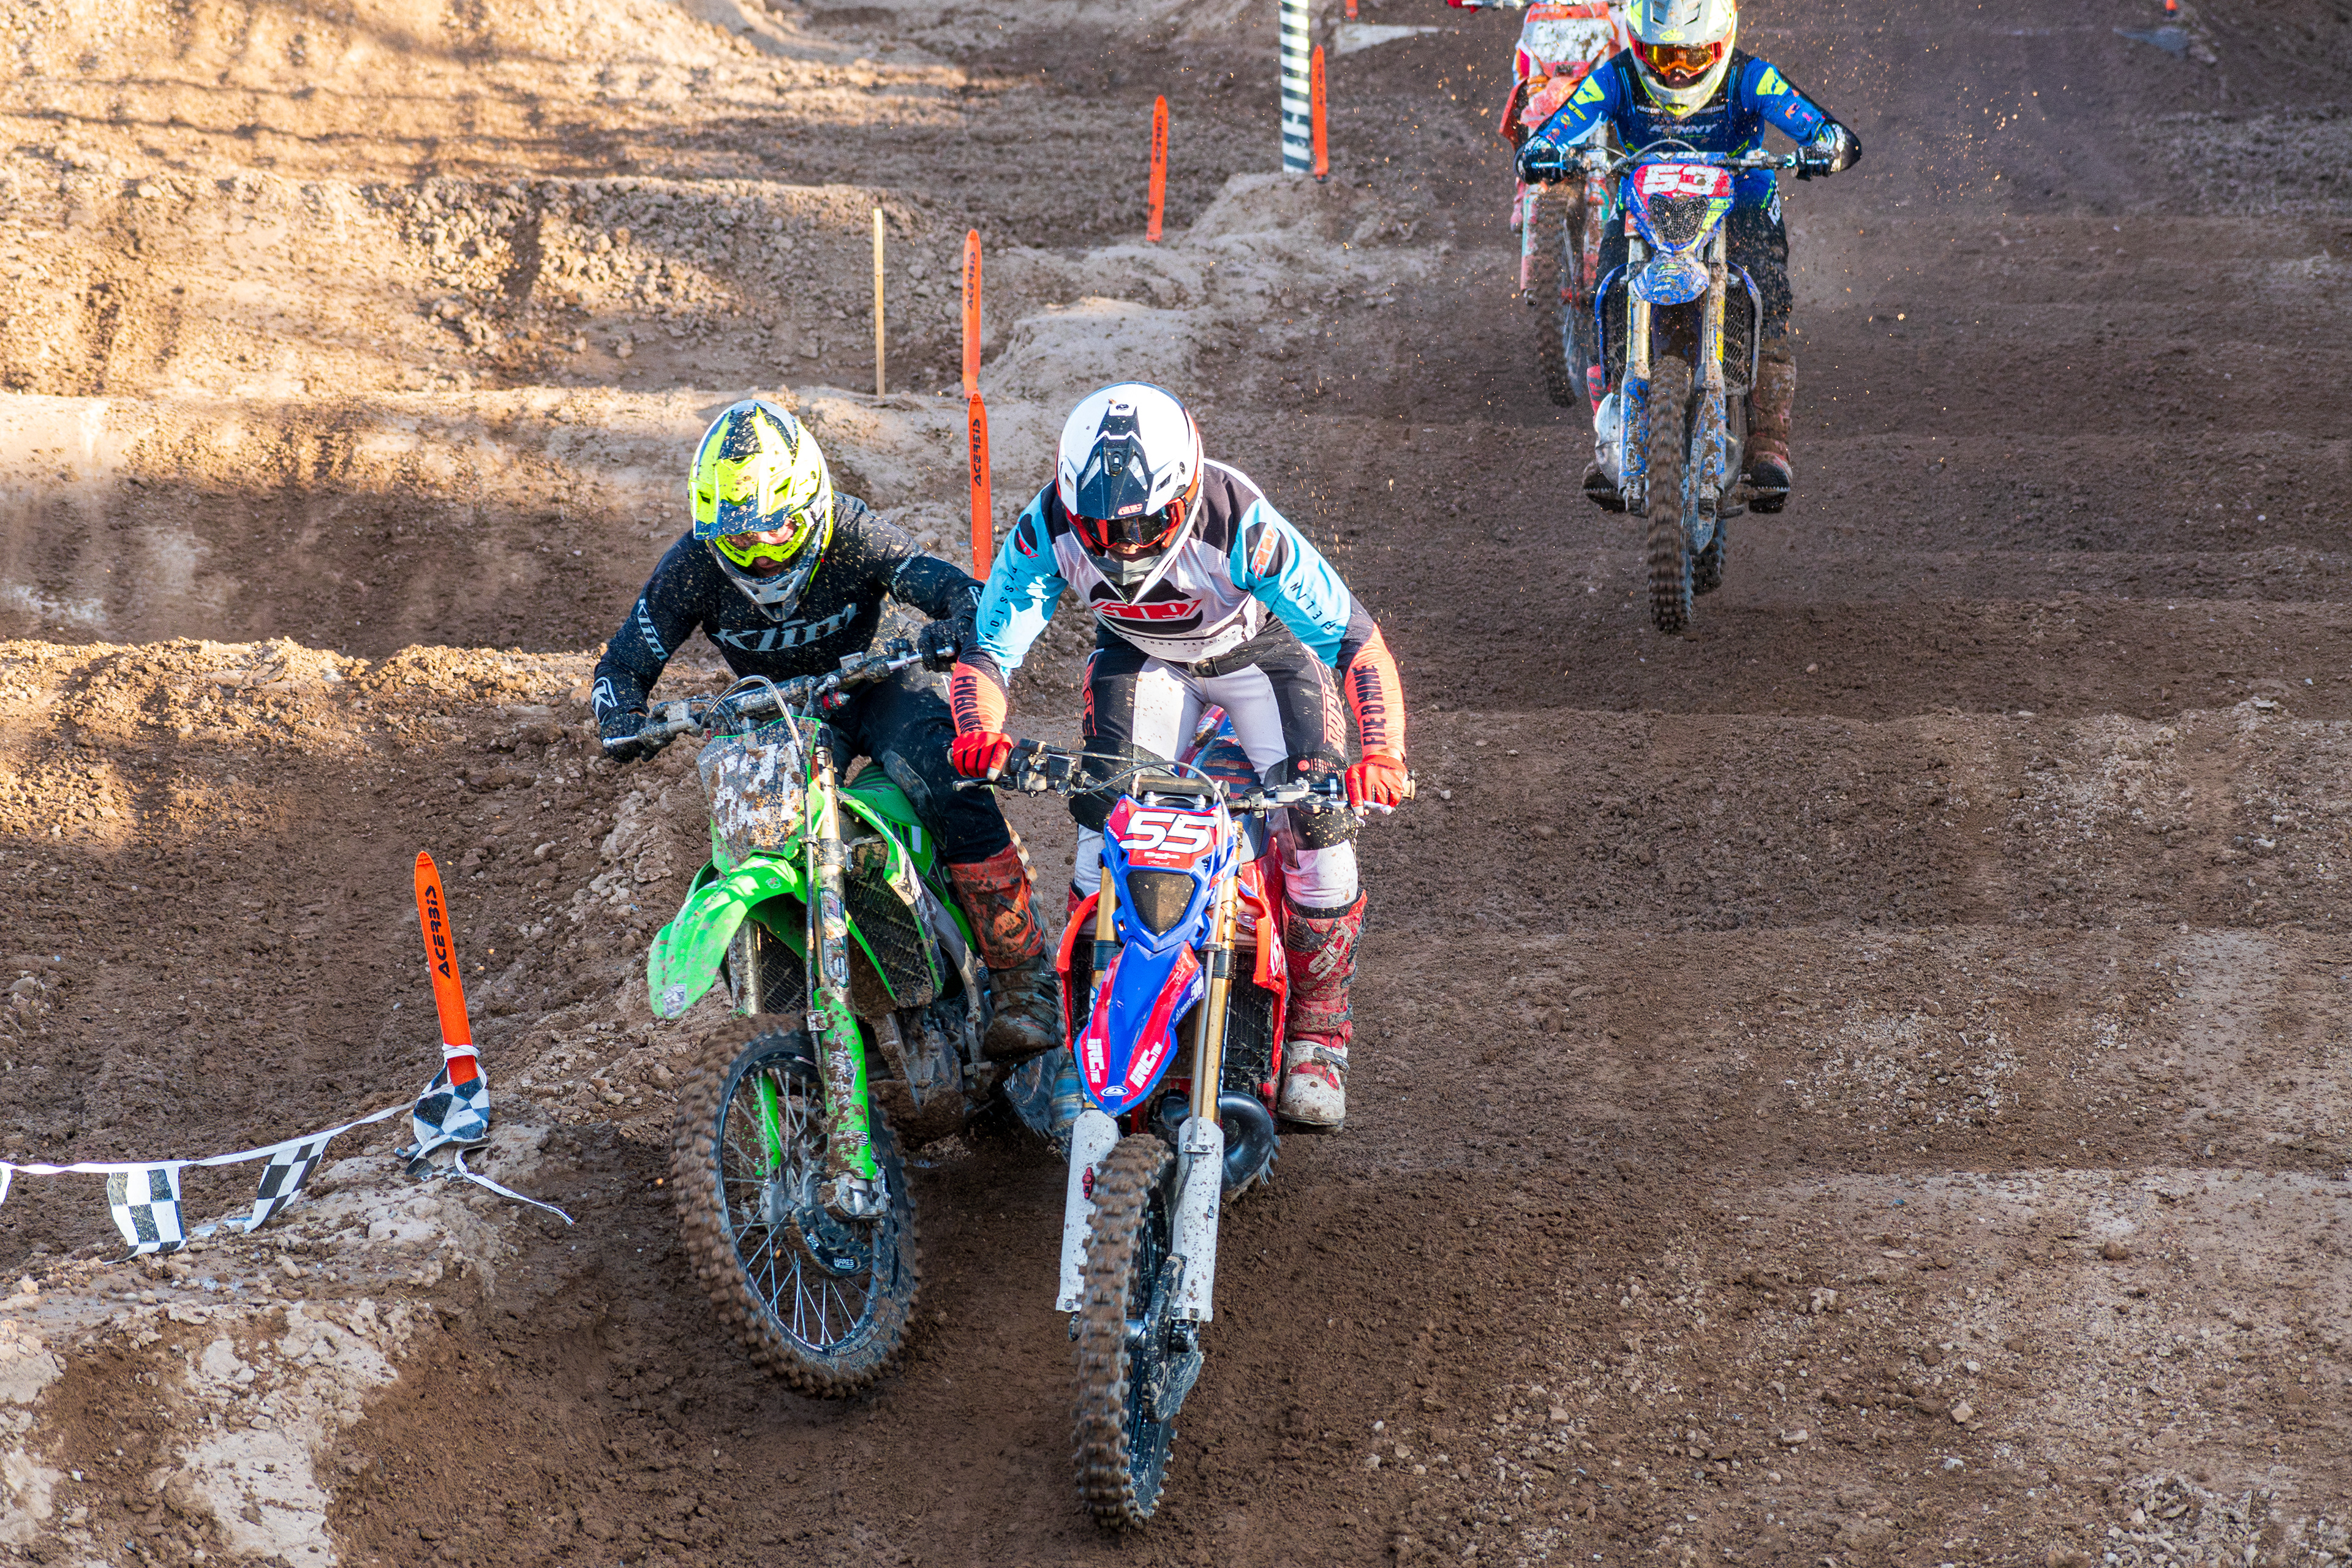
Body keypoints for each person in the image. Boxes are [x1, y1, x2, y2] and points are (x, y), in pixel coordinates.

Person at [944, 383, 1409, 1129]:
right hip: (1143, 659)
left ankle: (1321, 1029)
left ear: (1187, 491)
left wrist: (1382, 751)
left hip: (1261, 658)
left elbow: (1358, 642)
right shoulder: (1047, 526)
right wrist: (979, 730)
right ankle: (1091, 1028)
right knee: (1104, 822)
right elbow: (989, 650)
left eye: (1146, 523)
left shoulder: (1241, 524)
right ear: (1072, 504)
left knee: (1320, 821)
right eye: (1103, 528)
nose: (1125, 545)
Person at [589, 397, 1060, 1060]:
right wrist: (619, 712)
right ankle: (802, 1017)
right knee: (758, 840)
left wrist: (957, 621)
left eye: (775, 528)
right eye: (739, 538)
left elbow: (944, 583)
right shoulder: (692, 567)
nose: (759, 551)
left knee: (951, 779)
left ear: (810, 502)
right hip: (784, 711)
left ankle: (1023, 980)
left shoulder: (850, 529)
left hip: (877, 685)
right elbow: (623, 663)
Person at [1515, 0, 1860, 511]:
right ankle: (1611, 442)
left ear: (1720, 45)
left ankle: (1769, 443)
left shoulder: (1751, 78)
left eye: (1692, 56)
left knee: (1767, 305)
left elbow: (1822, 127)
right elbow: (1560, 126)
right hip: (1642, 203)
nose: (1677, 71)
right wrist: (1544, 148)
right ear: (1639, 47)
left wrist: (1827, 144)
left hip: (1740, 202)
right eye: (1662, 56)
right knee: (1605, 299)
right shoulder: (1617, 77)